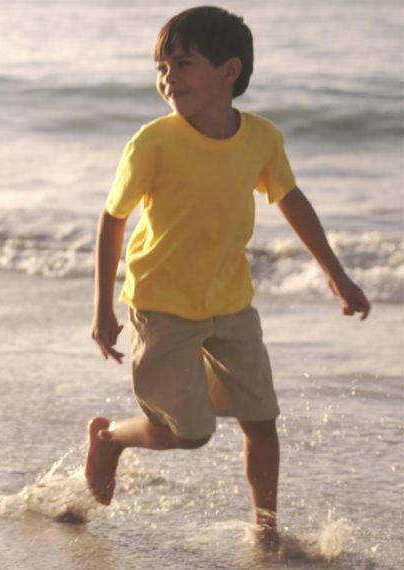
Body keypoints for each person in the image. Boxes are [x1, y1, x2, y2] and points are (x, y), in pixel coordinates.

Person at [83, 6, 371, 547]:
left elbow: (292, 201)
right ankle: (111, 436)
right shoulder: (154, 142)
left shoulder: (261, 138)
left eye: (183, 63)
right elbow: (113, 218)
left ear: (229, 71)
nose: (168, 77)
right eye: (161, 68)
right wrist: (102, 308)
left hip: (231, 300)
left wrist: (337, 275)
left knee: (261, 419)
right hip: (162, 303)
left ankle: (266, 530)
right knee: (188, 434)